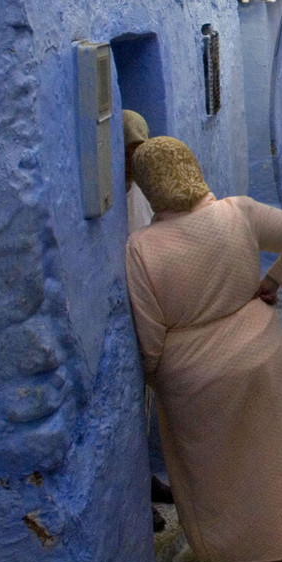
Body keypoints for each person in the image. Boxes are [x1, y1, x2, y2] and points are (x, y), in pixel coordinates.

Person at [125, 137, 282, 562]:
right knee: (269, 457)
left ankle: (241, 553)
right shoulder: (238, 212)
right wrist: (276, 280)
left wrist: (156, 378)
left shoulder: (142, 249)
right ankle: (281, 544)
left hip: (193, 376)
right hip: (259, 352)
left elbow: (148, 336)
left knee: (219, 474)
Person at [122, 110, 173, 530]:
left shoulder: (140, 191)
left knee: (146, 406)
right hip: (128, 315)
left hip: (149, 311)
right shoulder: (109, 198)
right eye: (129, 152)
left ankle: (148, 481)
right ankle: (139, 496)